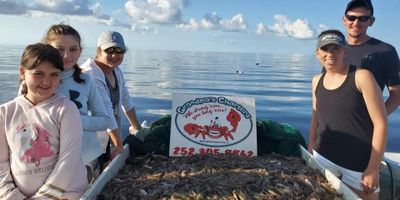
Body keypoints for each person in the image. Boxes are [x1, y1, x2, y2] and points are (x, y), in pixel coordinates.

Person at [0, 43, 88, 199]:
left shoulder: (66, 109)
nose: (46, 81)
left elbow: (68, 160)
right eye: (38, 74)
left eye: (54, 74)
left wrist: (42, 198)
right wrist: (11, 196)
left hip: (66, 192)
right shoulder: (5, 112)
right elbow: (1, 163)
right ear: (22, 72)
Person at [308, 30, 387, 200]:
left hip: (357, 164)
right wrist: (310, 149)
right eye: (325, 49)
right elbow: (316, 118)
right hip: (322, 156)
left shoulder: (361, 77)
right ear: (317, 54)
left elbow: (381, 124)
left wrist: (373, 168)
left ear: (345, 51)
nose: (330, 54)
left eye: (336, 48)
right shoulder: (316, 80)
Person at [41, 24, 110, 174]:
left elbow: (104, 120)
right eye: (59, 49)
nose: (66, 56)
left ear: (80, 51)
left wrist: (74, 120)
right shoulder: (34, 82)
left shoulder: (87, 80)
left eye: (73, 49)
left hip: (86, 157)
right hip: (46, 161)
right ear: (46, 49)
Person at [81, 31, 142, 170]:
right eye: (109, 50)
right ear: (99, 51)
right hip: (87, 138)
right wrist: (118, 145)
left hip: (107, 134)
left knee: (103, 164)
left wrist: (138, 129)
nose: (115, 55)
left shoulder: (115, 70)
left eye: (119, 50)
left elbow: (126, 100)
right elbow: (105, 110)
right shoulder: (90, 73)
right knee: (89, 171)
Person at [342, 0, 400, 115]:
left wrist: (376, 119)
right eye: (351, 17)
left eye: (363, 18)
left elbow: (397, 94)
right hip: (330, 127)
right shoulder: (333, 50)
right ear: (344, 20)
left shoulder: (386, 51)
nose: (356, 22)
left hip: (363, 130)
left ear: (371, 21)